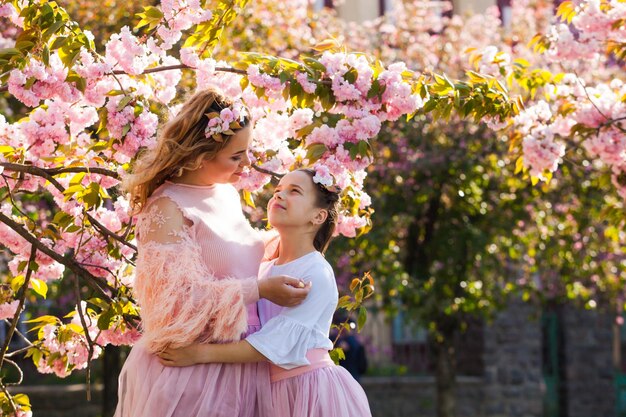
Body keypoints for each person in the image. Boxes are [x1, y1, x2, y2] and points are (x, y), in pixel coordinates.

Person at [114, 89, 311, 417]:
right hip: (195, 371)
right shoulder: (168, 206)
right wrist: (258, 290)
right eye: (236, 156)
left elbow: (237, 254)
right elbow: (174, 302)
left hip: (243, 361)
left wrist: (302, 232)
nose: (247, 164)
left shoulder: (226, 195)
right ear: (199, 156)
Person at [158, 169, 372, 417]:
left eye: (294, 191)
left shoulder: (316, 272)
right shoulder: (264, 268)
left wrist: (198, 354)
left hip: (307, 389)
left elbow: (272, 344)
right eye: (278, 189)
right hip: (267, 389)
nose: (279, 195)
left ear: (318, 216)